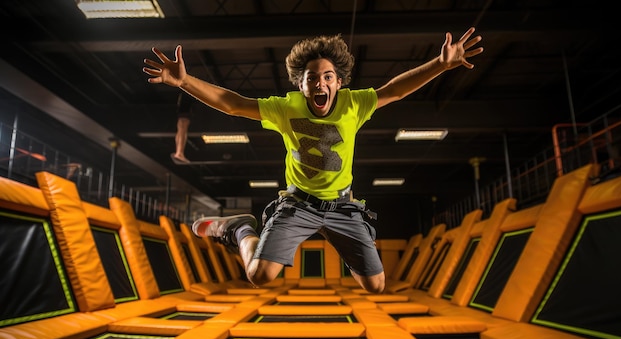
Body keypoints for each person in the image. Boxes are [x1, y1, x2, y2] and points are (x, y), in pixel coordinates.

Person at [143, 28, 483, 293]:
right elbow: (232, 103)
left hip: (343, 207)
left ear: (339, 82)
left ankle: (348, 243)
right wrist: (184, 81)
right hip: (298, 204)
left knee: (375, 285)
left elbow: (395, 89)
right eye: (311, 78)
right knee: (259, 275)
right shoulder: (285, 108)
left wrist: (441, 64)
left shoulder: (355, 104)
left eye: (327, 77)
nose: (319, 83)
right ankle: (239, 228)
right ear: (301, 83)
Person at [171, 91, 193, 164]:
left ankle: (179, 152)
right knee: (183, 125)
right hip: (185, 98)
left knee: (182, 126)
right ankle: (179, 153)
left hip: (185, 98)